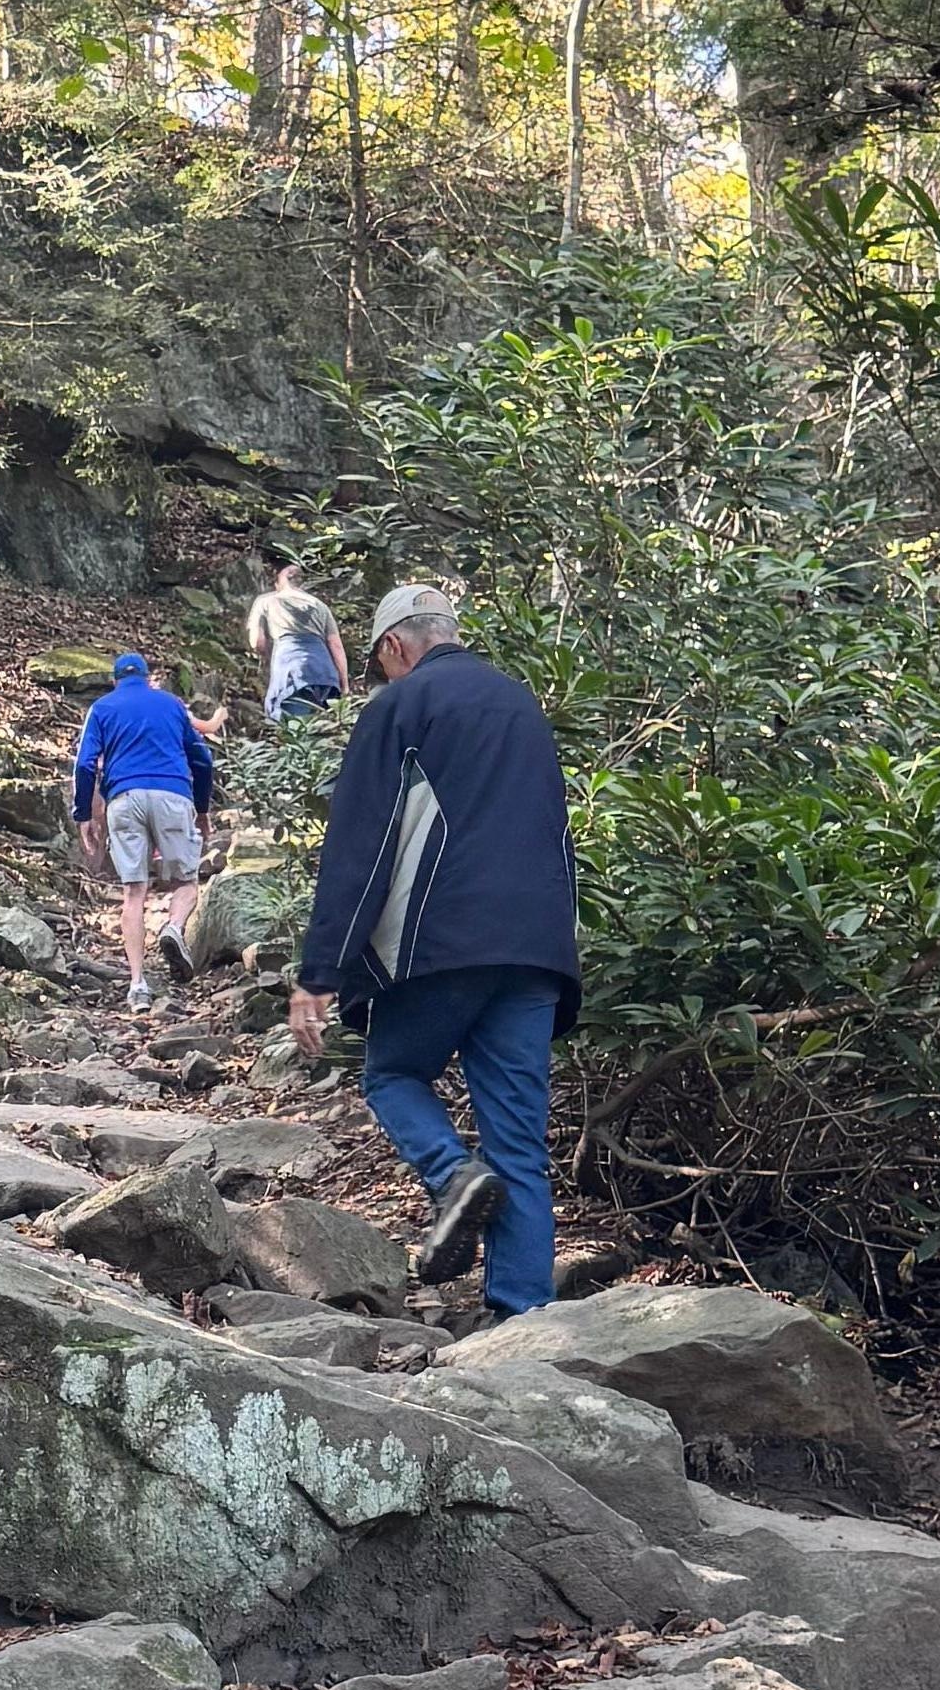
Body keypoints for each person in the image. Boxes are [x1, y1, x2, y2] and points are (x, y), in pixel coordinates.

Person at [286, 576, 575, 1307]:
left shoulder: (401, 706)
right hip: (536, 950)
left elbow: (361, 845)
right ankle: (523, 1319)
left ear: (393, 647)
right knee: (519, 1145)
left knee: (391, 1076)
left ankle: (451, 1173)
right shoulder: (521, 704)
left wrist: (322, 973)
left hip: (440, 942)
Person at [68, 645, 219, 1013]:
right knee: (185, 881)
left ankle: (137, 986)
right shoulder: (171, 705)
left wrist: (83, 814)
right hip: (172, 794)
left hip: (124, 797)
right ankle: (173, 926)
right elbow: (202, 759)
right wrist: (201, 809)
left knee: (134, 893)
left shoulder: (101, 708)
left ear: (115, 680)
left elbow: (85, 764)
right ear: (148, 677)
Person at [244, 559, 347, 723]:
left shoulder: (267, 601)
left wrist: (266, 655)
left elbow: (257, 642)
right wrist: (344, 683)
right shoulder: (320, 605)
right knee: (318, 726)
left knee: (295, 728)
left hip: (291, 666)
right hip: (324, 673)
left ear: (279, 583)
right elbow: (336, 646)